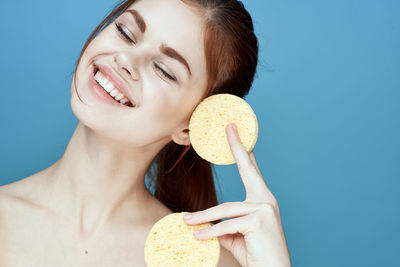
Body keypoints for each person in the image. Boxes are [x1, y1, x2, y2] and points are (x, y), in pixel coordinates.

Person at [0, 0, 291, 266]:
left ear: (191, 127)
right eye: (125, 32)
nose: (126, 60)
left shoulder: (205, 261)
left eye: (164, 70)